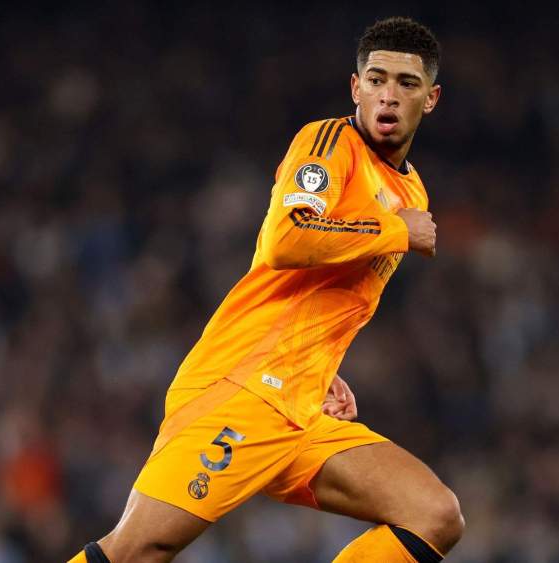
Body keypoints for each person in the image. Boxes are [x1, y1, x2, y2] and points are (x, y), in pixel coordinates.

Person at [68, 16, 463, 563]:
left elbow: (324, 289)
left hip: (301, 405)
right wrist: (398, 229)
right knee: (137, 550)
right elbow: (288, 238)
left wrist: (323, 365)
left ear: (432, 98)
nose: (388, 95)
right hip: (244, 387)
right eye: (376, 80)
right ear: (356, 88)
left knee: (433, 515)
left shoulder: (410, 187)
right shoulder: (329, 143)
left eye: (406, 83)